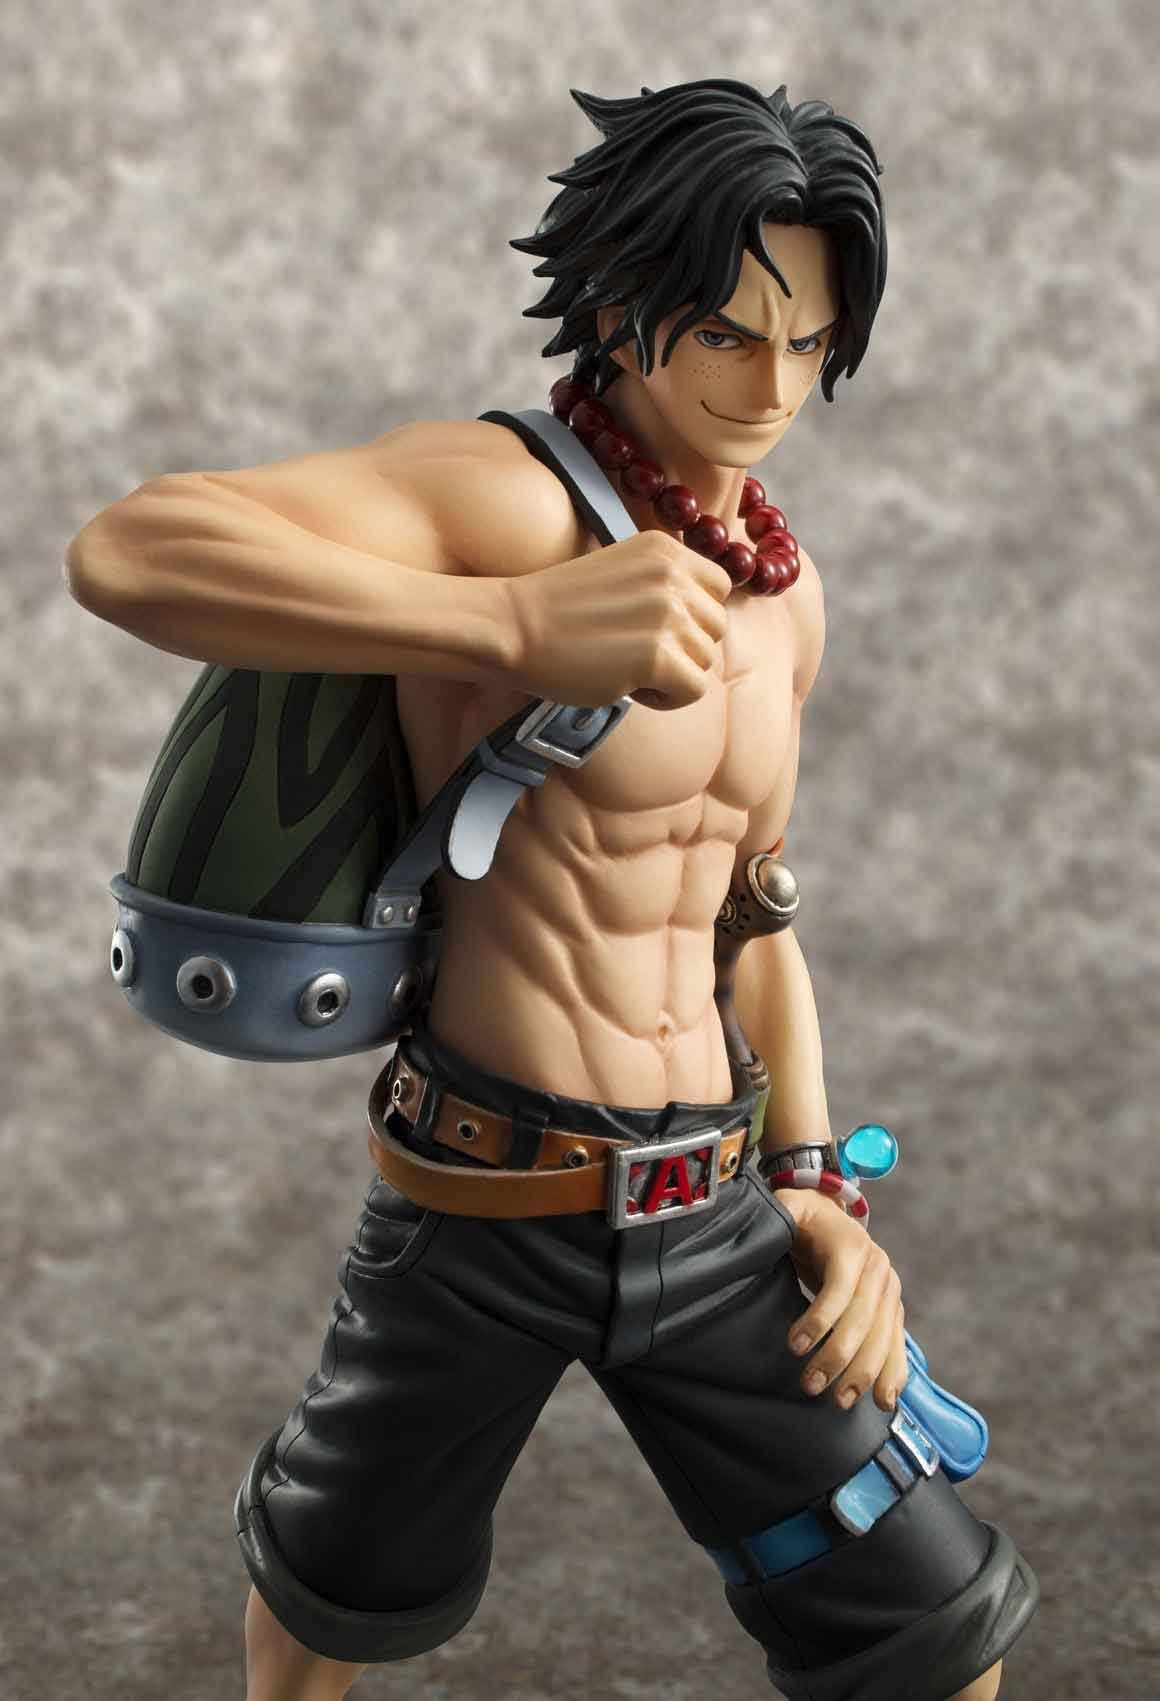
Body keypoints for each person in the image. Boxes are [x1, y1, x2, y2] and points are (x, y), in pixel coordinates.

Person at [66, 78, 1037, 1701]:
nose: (771, 387)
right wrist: (510, 625)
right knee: (326, 1595)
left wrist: (814, 1181)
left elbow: (752, 920)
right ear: (621, 306)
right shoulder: (508, 500)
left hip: (714, 1211)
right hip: (480, 1205)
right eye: (726, 334)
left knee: (934, 1626)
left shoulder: (785, 597)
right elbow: (132, 548)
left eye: (808, 344)